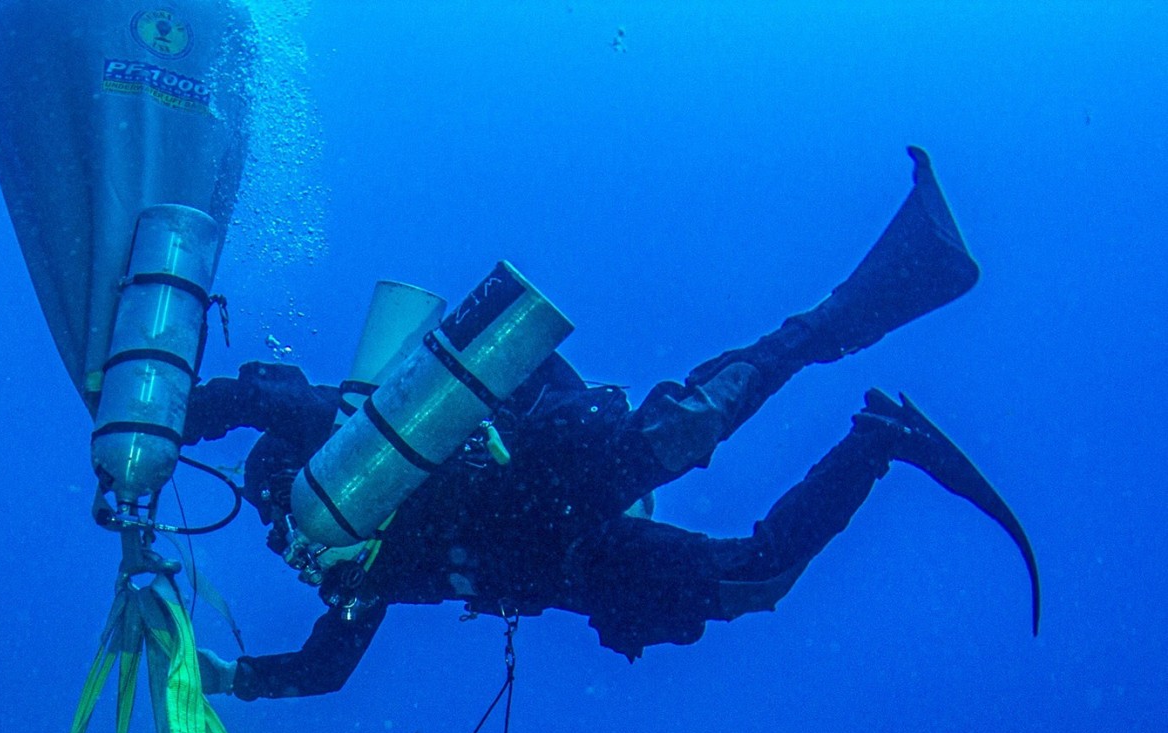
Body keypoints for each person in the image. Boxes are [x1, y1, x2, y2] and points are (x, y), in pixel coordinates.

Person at [186, 149, 1040, 701]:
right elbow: (326, 671)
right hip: (578, 563)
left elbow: (259, 402)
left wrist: (163, 427)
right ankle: (879, 440)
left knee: (716, 410)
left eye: (276, 507)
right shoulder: (352, 570)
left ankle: (893, 280)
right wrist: (218, 677)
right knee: (757, 577)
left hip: (559, 481)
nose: (283, 528)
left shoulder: (338, 454)